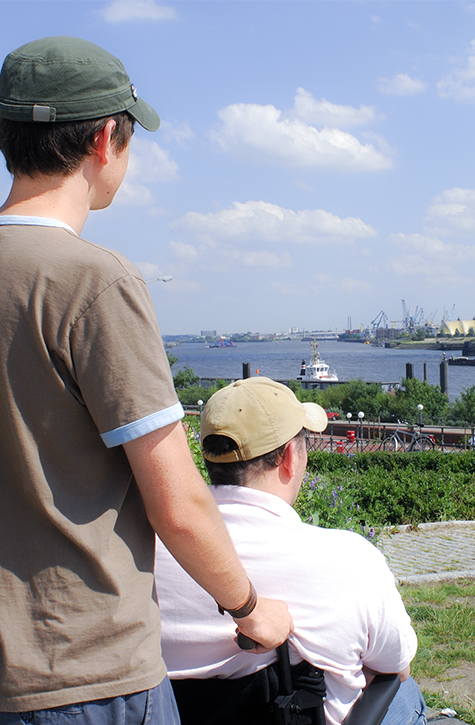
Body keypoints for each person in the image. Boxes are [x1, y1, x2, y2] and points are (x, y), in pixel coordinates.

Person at [0, 37, 292, 724]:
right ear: (106, 138)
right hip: (80, 669)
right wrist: (250, 608)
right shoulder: (91, 281)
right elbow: (179, 503)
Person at [155, 377, 426, 725]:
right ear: (289, 458)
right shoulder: (349, 560)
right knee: (405, 691)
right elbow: (397, 665)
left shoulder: (150, 557)